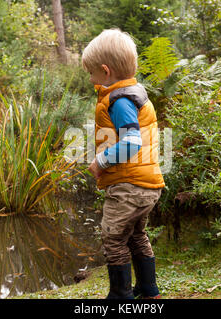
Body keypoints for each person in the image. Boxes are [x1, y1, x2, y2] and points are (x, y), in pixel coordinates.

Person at [81, 28, 165, 299]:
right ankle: (148, 289)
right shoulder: (136, 92)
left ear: (106, 71)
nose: (91, 79)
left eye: (91, 73)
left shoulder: (120, 101)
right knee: (135, 235)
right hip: (147, 183)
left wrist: (100, 161)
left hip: (129, 186)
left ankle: (121, 295)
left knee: (113, 237)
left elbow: (131, 143)